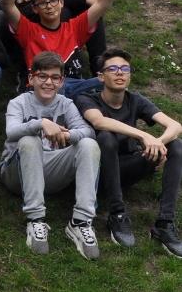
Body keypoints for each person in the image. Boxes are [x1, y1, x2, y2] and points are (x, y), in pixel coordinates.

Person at [75, 48, 182, 256]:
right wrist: (143, 136)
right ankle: (117, 214)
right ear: (100, 76)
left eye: (125, 69)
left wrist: (157, 141)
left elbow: (175, 125)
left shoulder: (136, 100)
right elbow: (99, 121)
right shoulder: (87, 98)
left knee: (176, 144)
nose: (119, 73)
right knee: (105, 137)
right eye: (113, 69)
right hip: (99, 173)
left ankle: (165, 223)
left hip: (129, 167)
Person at [0, 51, 101, 259]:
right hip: (17, 174)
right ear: (31, 78)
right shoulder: (18, 102)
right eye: (42, 76)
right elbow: (11, 132)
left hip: (52, 171)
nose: (48, 82)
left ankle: (80, 222)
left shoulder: (66, 103)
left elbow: (88, 130)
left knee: (89, 144)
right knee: (29, 140)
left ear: (62, 81)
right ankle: (36, 220)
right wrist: (42, 124)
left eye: (55, 78)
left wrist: (67, 135)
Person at [0, 0, 132, 98]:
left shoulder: (75, 28)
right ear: (35, 8)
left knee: (109, 80)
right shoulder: (28, 30)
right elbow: (7, 5)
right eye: (43, 3)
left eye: (53, 1)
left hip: (75, 87)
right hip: (43, 88)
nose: (49, 6)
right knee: (59, 86)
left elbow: (102, 3)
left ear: (61, 2)